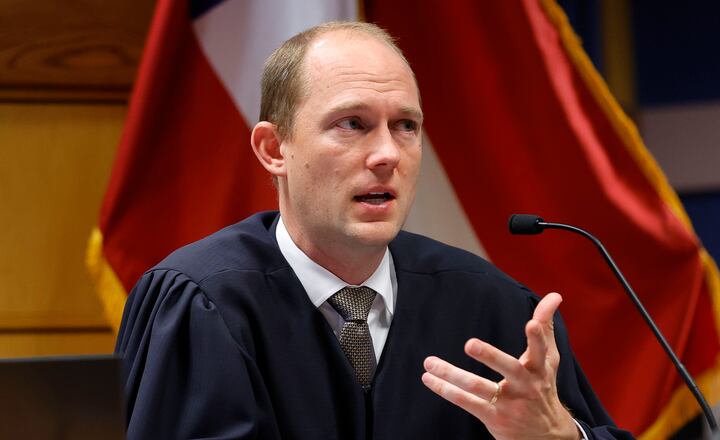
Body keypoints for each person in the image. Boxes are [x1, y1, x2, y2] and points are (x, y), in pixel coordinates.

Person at [116, 21, 633, 440]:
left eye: (406, 126)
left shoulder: (494, 307)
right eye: (352, 124)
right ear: (274, 150)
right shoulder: (202, 303)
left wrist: (558, 438)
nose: (388, 154)